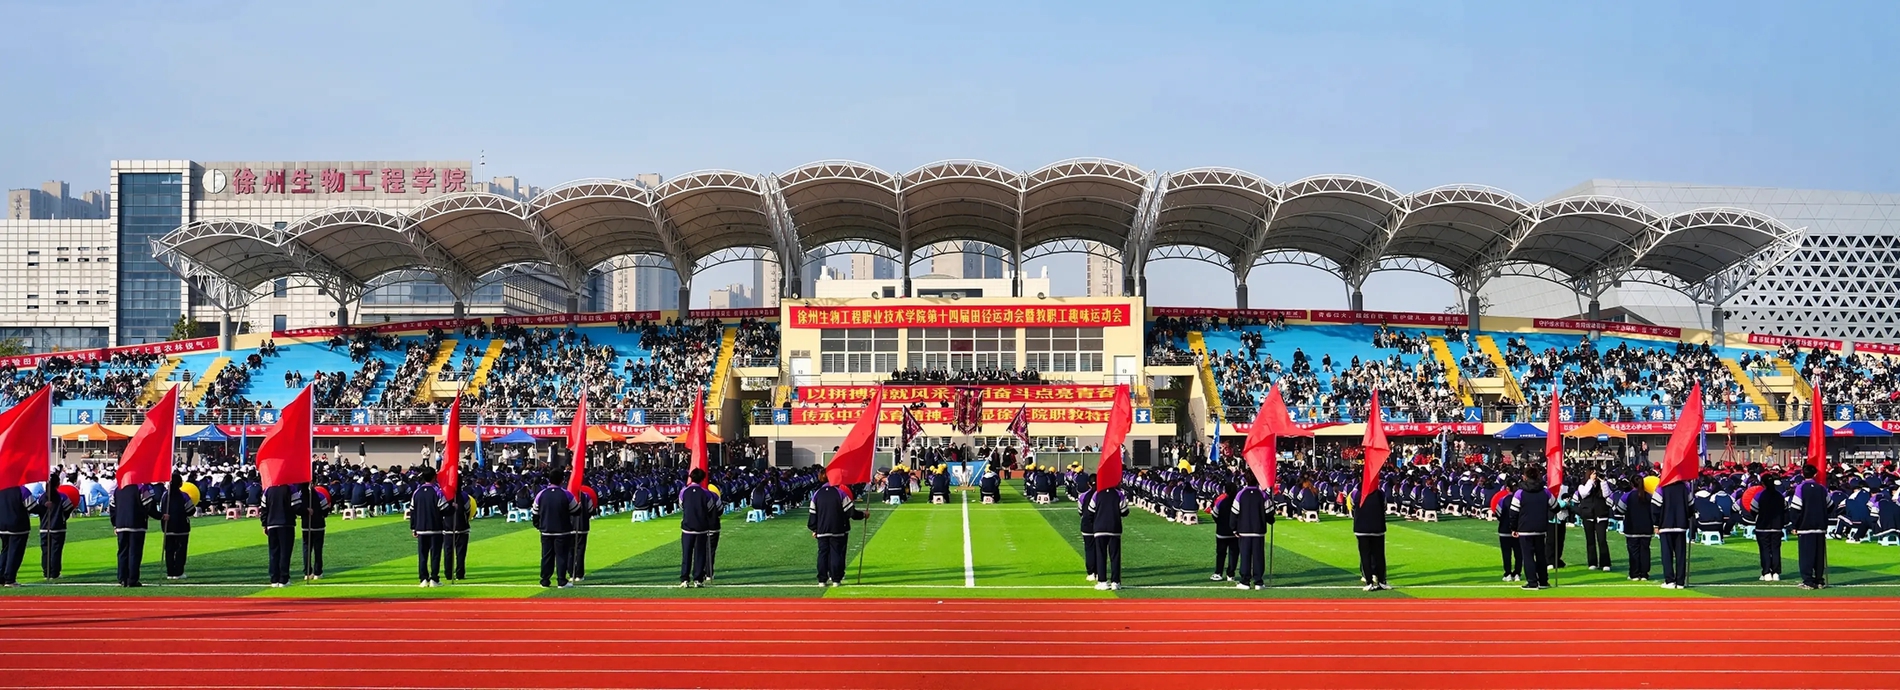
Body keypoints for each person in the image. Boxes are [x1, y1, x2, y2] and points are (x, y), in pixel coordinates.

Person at [808, 480, 865, 587]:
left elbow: (812, 514)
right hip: (837, 529)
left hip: (822, 530)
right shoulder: (840, 493)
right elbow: (851, 512)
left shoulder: (817, 493)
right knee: (836, 553)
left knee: (822, 554)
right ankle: (836, 579)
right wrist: (863, 515)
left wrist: (814, 529)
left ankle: (822, 580)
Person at [112, 482, 161, 587]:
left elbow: (112, 507)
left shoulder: (118, 488)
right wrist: (160, 516)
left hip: (121, 524)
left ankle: (122, 578)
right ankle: (132, 579)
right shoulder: (141, 487)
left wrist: (115, 524)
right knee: (134, 553)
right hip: (137, 524)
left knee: (122, 552)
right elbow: (149, 505)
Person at [1790, 465, 1829, 589]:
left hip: (1805, 527)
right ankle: (1819, 580)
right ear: (1815, 474)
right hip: (1820, 526)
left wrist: (1794, 525)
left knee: (1806, 555)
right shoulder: (1822, 488)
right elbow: (1830, 505)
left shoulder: (1800, 488)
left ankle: (1808, 581)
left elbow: (1796, 508)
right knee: (1819, 555)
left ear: (1802, 474)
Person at [1231, 474, 1273, 590]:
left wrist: (1234, 528)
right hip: (1258, 531)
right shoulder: (1262, 494)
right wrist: (1271, 520)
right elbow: (1269, 512)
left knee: (1245, 557)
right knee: (1258, 557)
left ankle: (1245, 581)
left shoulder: (1240, 494)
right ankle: (1258, 582)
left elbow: (1234, 513)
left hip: (1244, 531)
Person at [679, 469, 719, 587]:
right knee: (700, 554)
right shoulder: (706, 493)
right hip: (701, 528)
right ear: (702, 479)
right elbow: (710, 508)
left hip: (687, 527)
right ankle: (698, 579)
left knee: (686, 554)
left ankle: (684, 579)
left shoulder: (683, 491)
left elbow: (682, 506)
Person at [532, 474, 573, 588]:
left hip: (546, 530)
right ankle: (561, 580)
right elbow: (575, 509)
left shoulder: (541, 494)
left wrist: (539, 526)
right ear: (561, 481)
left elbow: (535, 512)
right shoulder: (566, 494)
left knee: (546, 556)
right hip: (562, 531)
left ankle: (545, 580)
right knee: (561, 556)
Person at [1513, 473, 1551, 590]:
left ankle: (1532, 582)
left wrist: (1513, 528)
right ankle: (1543, 581)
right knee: (1541, 556)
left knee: (1528, 556)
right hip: (1540, 528)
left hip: (1525, 529)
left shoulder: (1519, 493)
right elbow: (1555, 506)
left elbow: (1513, 512)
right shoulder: (1545, 491)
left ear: (1525, 477)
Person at [34, 474, 76, 581]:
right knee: (56, 551)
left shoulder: (42, 497)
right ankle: (55, 573)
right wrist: (63, 518)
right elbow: (69, 508)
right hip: (58, 528)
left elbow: (37, 510)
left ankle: (46, 572)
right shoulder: (62, 497)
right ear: (58, 484)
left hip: (44, 528)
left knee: (45, 551)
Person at [407, 467, 444, 587]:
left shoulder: (416, 492)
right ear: (434, 477)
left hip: (421, 528)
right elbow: (444, 509)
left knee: (422, 555)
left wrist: (413, 527)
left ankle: (423, 579)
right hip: (435, 528)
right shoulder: (437, 491)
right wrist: (453, 507)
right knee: (435, 555)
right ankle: (434, 578)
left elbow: (412, 511)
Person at [1089, 481, 1129, 591]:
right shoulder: (1118, 494)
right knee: (1115, 556)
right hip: (1114, 528)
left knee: (1101, 555)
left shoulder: (1097, 493)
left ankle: (1102, 581)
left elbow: (1090, 510)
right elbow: (1124, 511)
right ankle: (1115, 582)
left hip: (1099, 528)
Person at [1655, 475, 1692, 589]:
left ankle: (1670, 580)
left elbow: (1655, 507)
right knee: (1681, 555)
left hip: (1665, 525)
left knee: (1667, 554)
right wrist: (1687, 517)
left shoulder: (1661, 487)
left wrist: (1656, 524)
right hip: (1681, 525)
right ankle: (1680, 582)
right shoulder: (1685, 487)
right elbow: (1691, 505)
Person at [260, 482, 299, 588]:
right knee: (285, 552)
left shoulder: (268, 489)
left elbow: (264, 509)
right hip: (286, 524)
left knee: (273, 553)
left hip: (272, 524)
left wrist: (264, 524)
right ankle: (283, 579)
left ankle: (274, 579)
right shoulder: (290, 488)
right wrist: (306, 510)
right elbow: (296, 507)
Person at [1351, 482, 1389, 591]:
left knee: (1366, 556)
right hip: (1377, 528)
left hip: (1363, 528)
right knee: (1379, 556)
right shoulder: (1380, 493)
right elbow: (1384, 507)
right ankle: (1380, 581)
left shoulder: (1356, 492)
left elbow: (1353, 506)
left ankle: (1369, 581)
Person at [1576, 469, 1613, 572]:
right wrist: (1590, 481)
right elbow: (1584, 493)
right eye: (1593, 474)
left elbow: (1606, 494)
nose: (1595, 476)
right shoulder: (1582, 486)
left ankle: (1605, 563)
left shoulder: (1602, 485)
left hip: (1601, 516)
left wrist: (1603, 482)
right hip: (1588, 516)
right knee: (1590, 540)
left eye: (1596, 474)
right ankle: (1592, 562)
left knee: (1602, 540)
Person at [160, 474, 196, 580]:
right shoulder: (183, 495)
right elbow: (190, 510)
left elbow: (161, 509)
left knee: (169, 550)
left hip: (168, 527)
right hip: (181, 527)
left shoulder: (164, 495)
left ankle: (170, 572)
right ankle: (179, 572)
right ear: (180, 484)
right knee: (180, 551)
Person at [1622, 478, 1655, 581]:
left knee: (1633, 552)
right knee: (1645, 551)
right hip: (1646, 528)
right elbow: (1654, 510)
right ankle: (1644, 574)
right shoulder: (1649, 496)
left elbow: (1620, 508)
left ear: (1632, 484)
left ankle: (1634, 574)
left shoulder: (1627, 496)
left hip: (1632, 528)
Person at [1754, 475, 1786, 582]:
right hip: (1777, 527)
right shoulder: (1780, 495)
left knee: (1765, 550)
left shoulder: (1759, 495)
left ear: (1763, 484)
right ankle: (1776, 573)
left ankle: (1766, 572)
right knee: (1776, 550)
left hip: (1762, 527)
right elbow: (1786, 508)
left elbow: (1753, 509)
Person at [442, 481, 470, 581]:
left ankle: (448, 574)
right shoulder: (464, 495)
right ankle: (460, 574)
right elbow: (468, 510)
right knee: (461, 553)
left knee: (448, 552)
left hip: (448, 528)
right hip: (462, 528)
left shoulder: (443, 495)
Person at [0, 482, 27, 587]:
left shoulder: (1, 489)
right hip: (18, 525)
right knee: (15, 553)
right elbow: (32, 505)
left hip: (2, 525)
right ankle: (10, 579)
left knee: (5, 551)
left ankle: (1, 577)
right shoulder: (22, 490)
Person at [1209, 483, 1237, 582]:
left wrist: (1220, 523)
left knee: (1221, 553)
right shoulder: (1238, 502)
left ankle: (1218, 573)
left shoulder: (1221, 501)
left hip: (1222, 532)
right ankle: (1231, 574)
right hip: (1235, 533)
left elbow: (1214, 514)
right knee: (1234, 554)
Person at [303, 484, 331, 581]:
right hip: (318, 526)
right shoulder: (320, 495)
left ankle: (307, 572)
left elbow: (298, 508)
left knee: (306, 549)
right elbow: (325, 510)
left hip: (306, 526)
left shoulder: (301, 495)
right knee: (318, 550)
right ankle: (317, 572)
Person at [569, 486, 597, 583]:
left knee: (570, 551)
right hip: (583, 526)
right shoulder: (586, 496)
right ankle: (579, 574)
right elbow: (590, 510)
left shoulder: (568, 495)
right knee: (580, 552)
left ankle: (571, 573)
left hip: (570, 527)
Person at [1493, 484, 1519, 582]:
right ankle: (1517, 573)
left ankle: (1508, 573)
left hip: (1504, 530)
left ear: (1507, 488)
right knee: (1518, 553)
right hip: (1518, 530)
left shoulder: (1503, 500)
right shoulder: (1520, 499)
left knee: (1506, 553)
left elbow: (1498, 514)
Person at [1077, 481, 1099, 583]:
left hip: (1086, 525)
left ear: (1088, 484)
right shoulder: (1101, 494)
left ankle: (1091, 573)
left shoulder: (1083, 496)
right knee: (1100, 550)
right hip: (1099, 525)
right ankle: (1099, 573)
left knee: (1089, 549)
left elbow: (1080, 511)